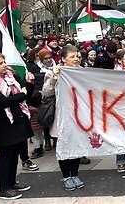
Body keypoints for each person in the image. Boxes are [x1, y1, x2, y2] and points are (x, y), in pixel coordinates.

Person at [0, 53, 35, 200]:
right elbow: (2, 102)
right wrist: (22, 94)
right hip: (2, 125)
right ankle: (4, 189)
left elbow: (25, 94)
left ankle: (11, 183)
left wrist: (29, 84)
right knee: (6, 156)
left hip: (18, 121)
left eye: (4, 62)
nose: (4, 65)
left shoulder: (11, 77)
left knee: (15, 154)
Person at [42, 45, 85, 191]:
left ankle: (75, 174)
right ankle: (66, 176)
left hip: (79, 116)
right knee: (64, 146)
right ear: (63, 59)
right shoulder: (54, 73)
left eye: (77, 56)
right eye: (72, 57)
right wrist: (54, 77)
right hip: (62, 116)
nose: (76, 59)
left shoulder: (82, 72)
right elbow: (46, 92)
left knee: (77, 146)